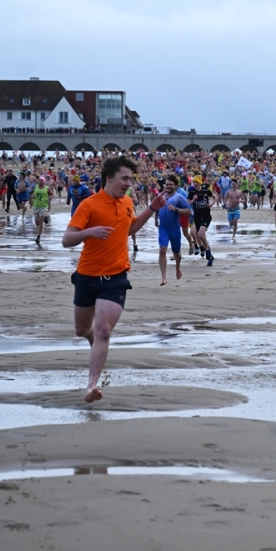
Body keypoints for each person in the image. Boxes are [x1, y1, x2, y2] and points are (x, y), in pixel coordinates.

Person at [62, 156, 166, 403]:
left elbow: (128, 229)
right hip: (87, 276)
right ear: (109, 178)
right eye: (125, 178)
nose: (129, 184)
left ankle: (92, 386)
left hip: (116, 277)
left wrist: (151, 209)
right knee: (81, 330)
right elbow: (67, 240)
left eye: (130, 179)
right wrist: (90, 232)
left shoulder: (127, 202)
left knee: (104, 330)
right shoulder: (89, 205)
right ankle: (92, 341)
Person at [154, 175, 191, 285]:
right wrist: (156, 219)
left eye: (171, 184)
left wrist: (176, 209)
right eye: (167, 184)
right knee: (162, 250)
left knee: (177, 253)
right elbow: (156, 208)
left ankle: (178, 268)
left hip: (174, 229)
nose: (169, 186)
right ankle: (164, 277)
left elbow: (189, 211)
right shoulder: (160, 196)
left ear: (175, 186)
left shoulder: (179, 197)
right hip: (163, 228)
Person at [188, 176, 215, 266]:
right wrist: (193, 200)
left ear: (200, 182)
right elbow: (187, 203)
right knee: (201, 236)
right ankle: (209, 254)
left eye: (196, 182)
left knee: (200, 234)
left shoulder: (206, 190)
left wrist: (211, 204)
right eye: (194, 182)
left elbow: (215, 197)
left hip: (206, 216)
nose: (195, 184)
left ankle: (207, 250)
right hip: (197, 217)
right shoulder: (192, 192)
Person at [31, 175, 53, 245]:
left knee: (40, 221)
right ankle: (45, 218)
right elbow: (31, 194)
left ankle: (38, 236)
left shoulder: (47, 188)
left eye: (42, 180)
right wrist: (32, 196)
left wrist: (50, 197)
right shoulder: (35, 187)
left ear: (44, 181)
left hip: (44, 206)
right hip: (36, 206)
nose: (40, 181)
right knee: (37, 222)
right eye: (39, 180)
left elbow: (51, 194)